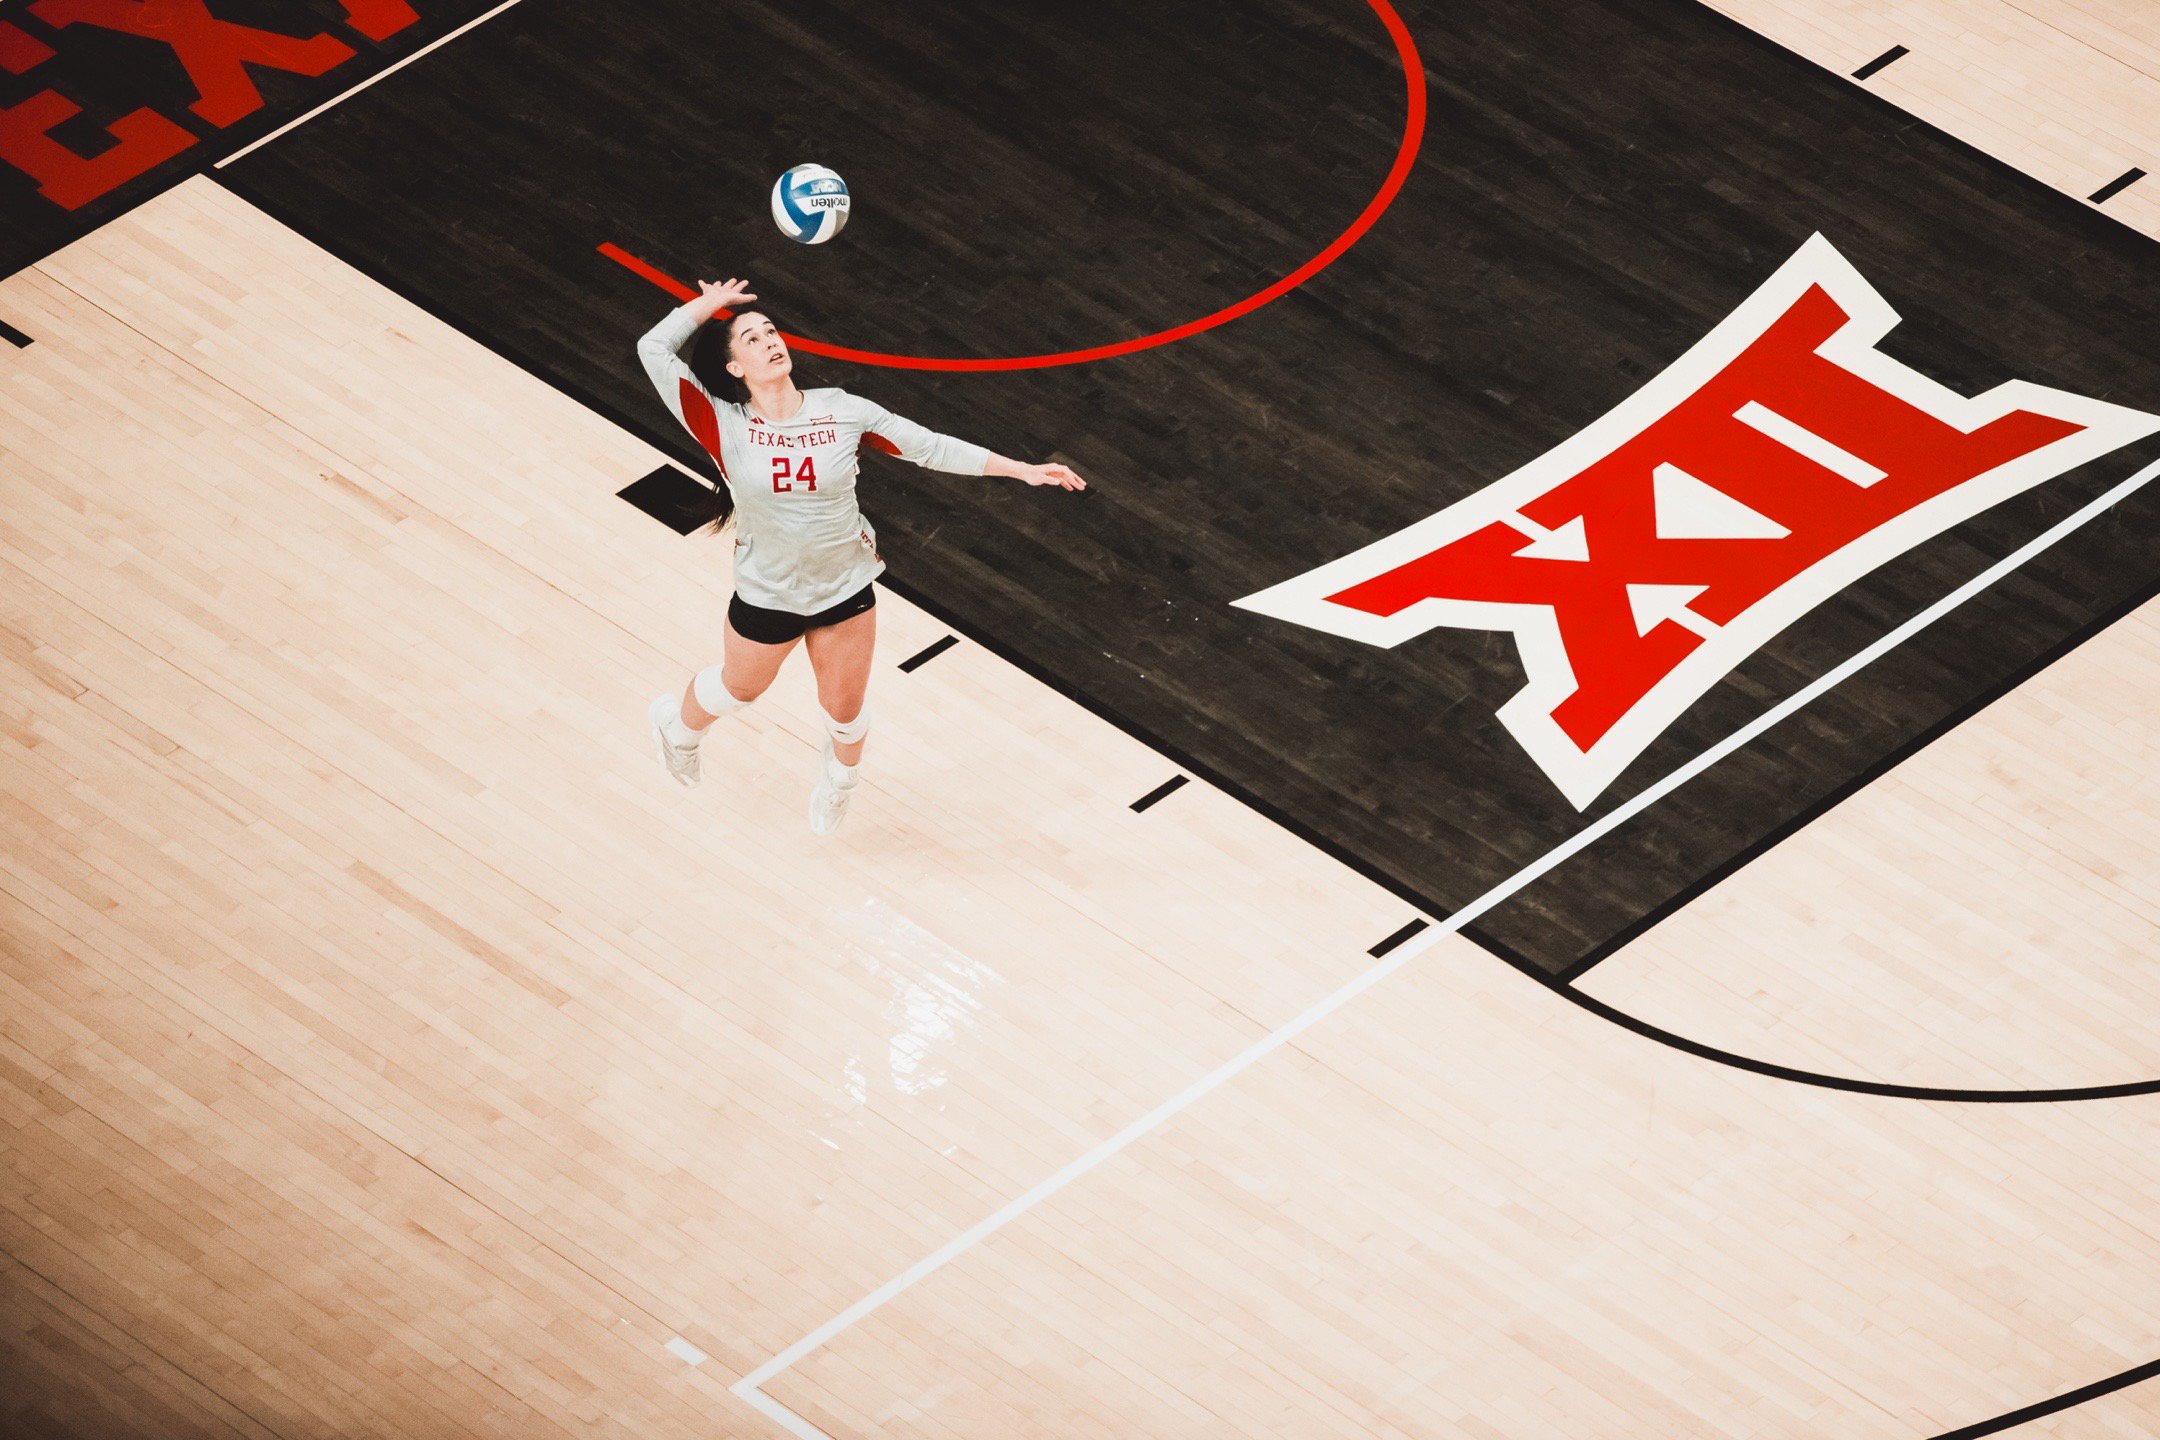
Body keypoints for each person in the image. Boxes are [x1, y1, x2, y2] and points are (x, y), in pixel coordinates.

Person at [638, 277, 1087, 834]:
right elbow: (652, 350)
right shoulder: (721, 423)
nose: (769, 341)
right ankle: (678, 732)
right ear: (734, 368)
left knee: (844, 715)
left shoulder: (843, 411)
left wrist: (1023, 470)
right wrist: (704, 308)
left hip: (844, 587)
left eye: (771, 331)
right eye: (751, 339)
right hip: (768, 593)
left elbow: (929, 446)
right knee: (739, 689)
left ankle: (839, 785)